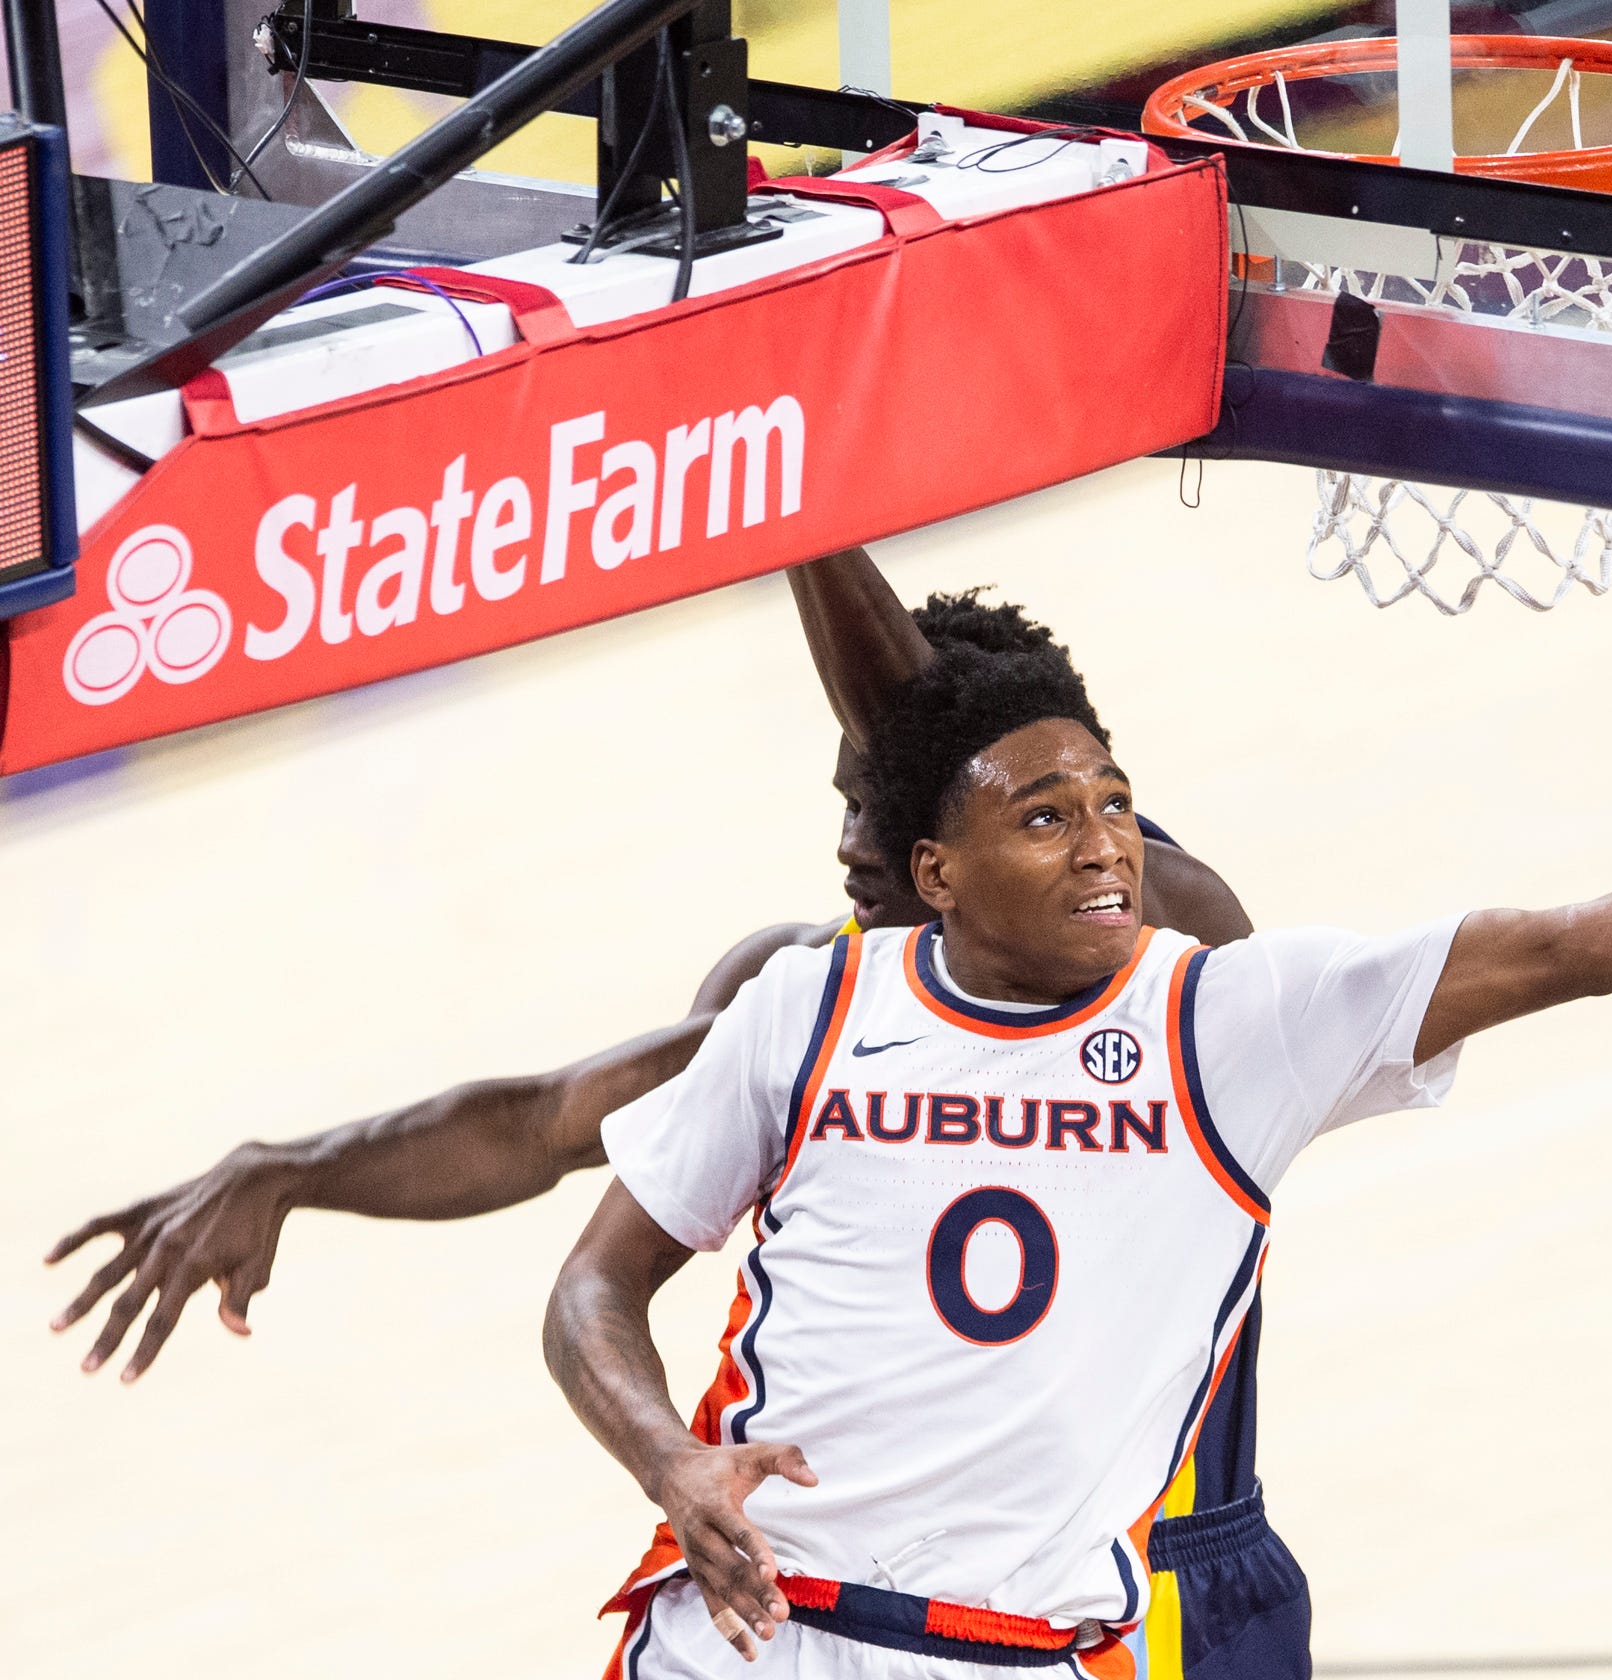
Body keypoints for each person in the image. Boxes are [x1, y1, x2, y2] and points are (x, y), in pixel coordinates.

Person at [546, 625, 1612, 1678]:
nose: (1103, 844)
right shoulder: (806, 1006)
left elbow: (1588, 946)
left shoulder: (1233, 1023)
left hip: (1026, 1650)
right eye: (1045, 817)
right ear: (936, 872)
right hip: (750, 1632)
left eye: (1113, 805)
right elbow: (593, 1294)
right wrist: (667, 1456)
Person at [46, 551, 1303, 1680]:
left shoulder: (1161, 940)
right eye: (841, 800)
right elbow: (546, 1120)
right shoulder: (811, 990)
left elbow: (918, 717)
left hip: (1152, 1579)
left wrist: (809, 494)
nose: (847, 841)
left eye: (878, 800)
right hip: (857, 1605)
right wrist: (293, 1169)